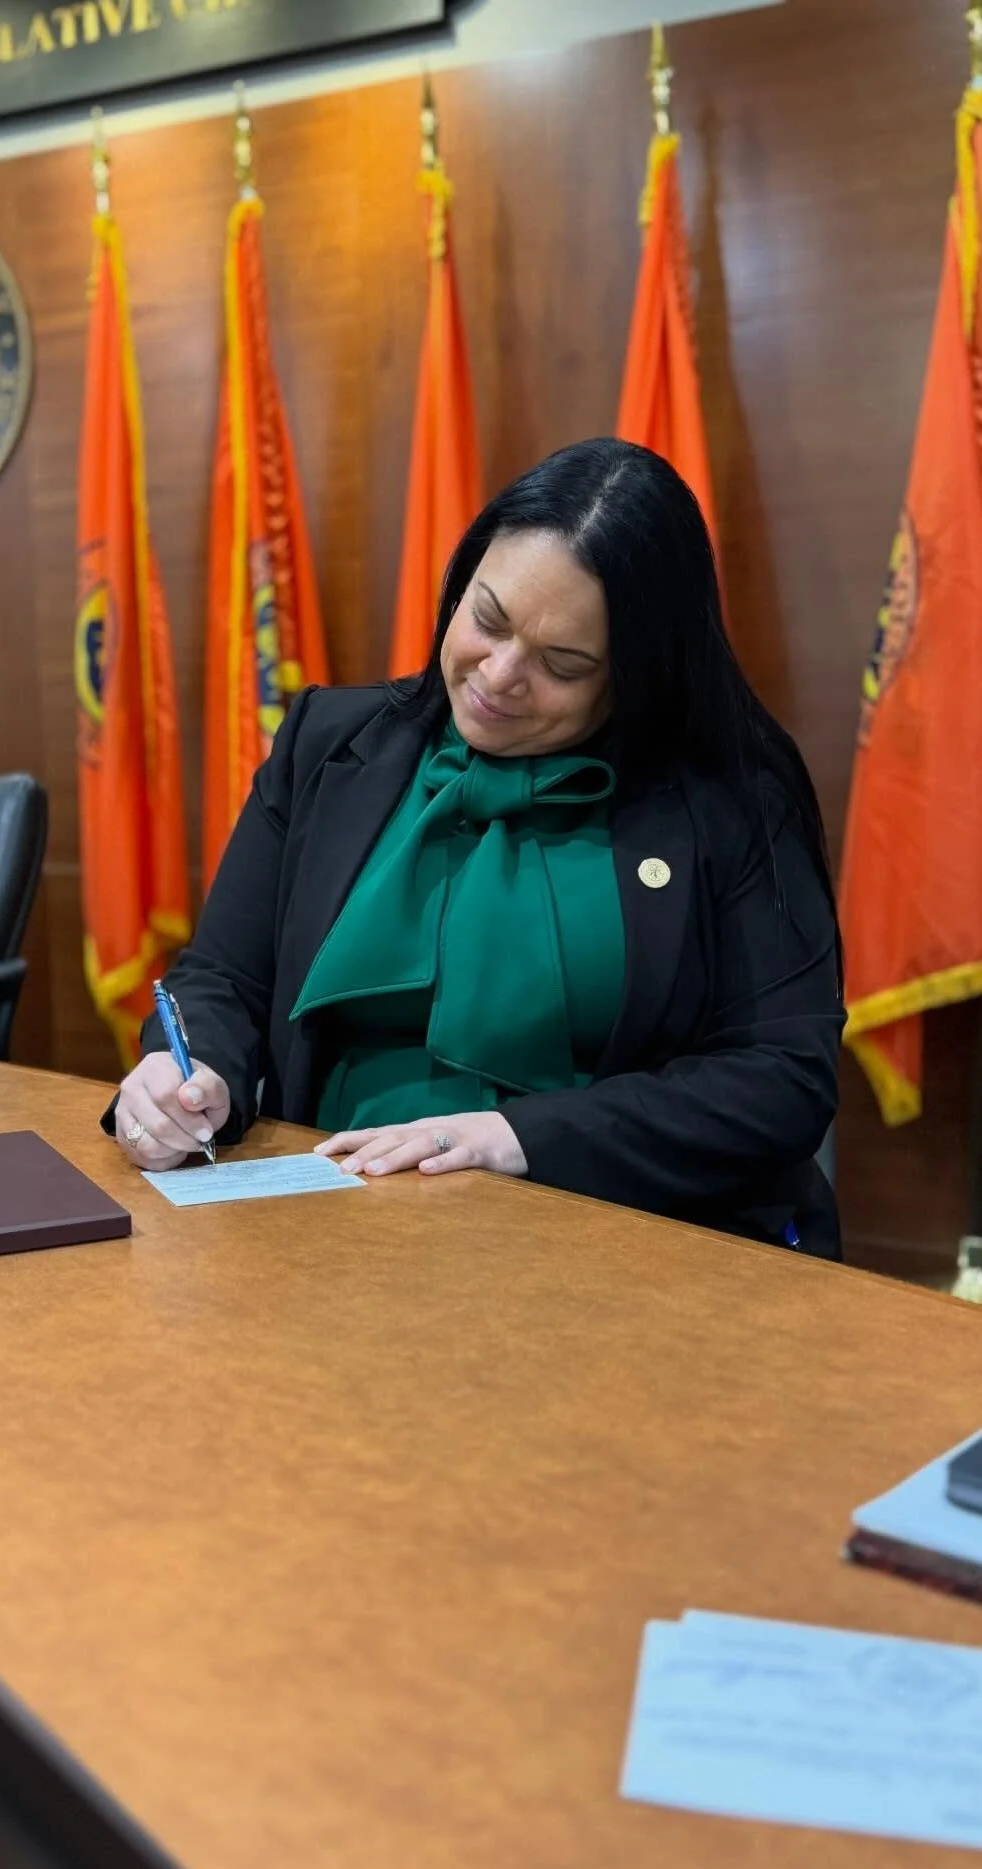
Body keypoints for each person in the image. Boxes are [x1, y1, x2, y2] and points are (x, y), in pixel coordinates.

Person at [107, 439, 845, 1256]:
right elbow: (223, 978)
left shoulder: (732, 801)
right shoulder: (329, 745)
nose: (498, 676)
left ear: (638, 675)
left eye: (563, 664)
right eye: (487, 621)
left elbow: (781, 1077)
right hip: (325, 1230)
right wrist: (188, 1074)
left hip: (613, 1243)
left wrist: (515, 1139)